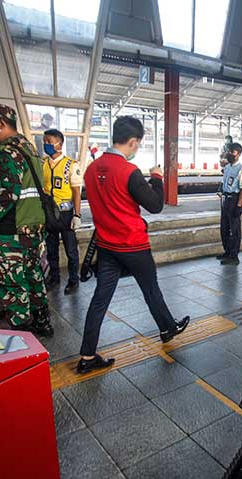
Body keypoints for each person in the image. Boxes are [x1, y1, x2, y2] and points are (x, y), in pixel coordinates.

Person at [78, 116, 190, 374]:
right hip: (133, 246)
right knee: (150, 289)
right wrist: (157, 177)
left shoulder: (91, 170)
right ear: (132, 141)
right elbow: (155, 205)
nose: (136, 148)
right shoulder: (129, 171)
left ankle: (86, 355)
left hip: (107, 246)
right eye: (137, 144)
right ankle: (167, 328)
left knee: (99, 300)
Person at [0, 103, 54, 337]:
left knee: (12, 280)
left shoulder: (7, 153)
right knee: (34, 275)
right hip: (33, 226)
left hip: (11, 229)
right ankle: (42, 321)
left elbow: (9, 194)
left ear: (1, 123)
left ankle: (21, 328)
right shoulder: (28, 147)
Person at [42, 128, 83, 295]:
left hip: (65, 214)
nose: (46, 145)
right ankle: (54, 277)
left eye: (49, 142)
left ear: (59, 143)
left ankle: (73, 280)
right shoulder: (42, 164)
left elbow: (76, 192)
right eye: (44, 142)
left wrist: (77, 215)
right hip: (48, 213)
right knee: (51, 249)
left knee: (71, 250)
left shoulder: (71, 165)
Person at [217, 143, 242, 266]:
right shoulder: (227, 167)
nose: (230, 154)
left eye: (233, 152)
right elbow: (224, 181)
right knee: (224, 228)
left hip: (234, 200)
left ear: (239, 154)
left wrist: (239, 205)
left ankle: (234, 255)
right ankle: (227, 251)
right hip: (225, 199)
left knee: (234, 229)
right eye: (229, 151)